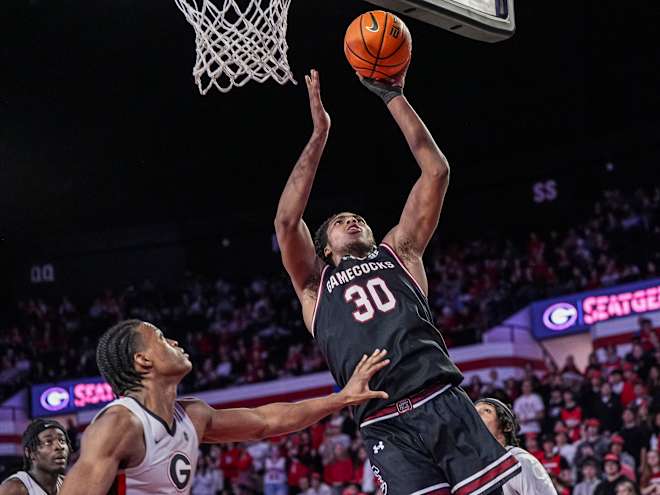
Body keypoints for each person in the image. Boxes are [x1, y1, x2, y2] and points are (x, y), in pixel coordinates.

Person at [274, 67, 520, 495]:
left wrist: (393, 96)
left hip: (440, 398)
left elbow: (436, 172)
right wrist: (319, 135)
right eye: (339, 222)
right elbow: (285, 220)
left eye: (359, 218)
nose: (352, 219)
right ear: (325, 249)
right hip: (383, 421)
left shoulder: (399, 252)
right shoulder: (315, 284)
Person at [60, 319, 389, 494]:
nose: (174, 342)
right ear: (143, 360)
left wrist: (342, 397)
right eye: (161, 337)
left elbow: (266, 421)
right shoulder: (119, 424)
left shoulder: (193, 415)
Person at [475, 398, 557, 495]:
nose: (477, 416)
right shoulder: (474, 470)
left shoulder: (520, 461)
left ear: (507, 426)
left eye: (486, 411)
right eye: (474, 412)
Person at [0, 419, 71, 495]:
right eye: (48, 442)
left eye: (62, 441)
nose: (59, 447)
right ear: (30, 452)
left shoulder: (69, 485)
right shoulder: (14, 489)